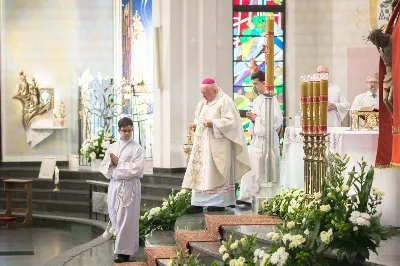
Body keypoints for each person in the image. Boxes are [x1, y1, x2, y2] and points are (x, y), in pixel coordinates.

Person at [182, 78, 251, 213]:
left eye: (205, 93)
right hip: (202, 146)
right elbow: (200, 120)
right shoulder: (202, 104)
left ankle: (218, 202)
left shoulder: (225, 101)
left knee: (216, 172)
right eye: (202, 93)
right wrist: (195, 125)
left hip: (218, 146)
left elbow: (232, 123)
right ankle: (199, 202)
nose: (203, 96)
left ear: (214, 90)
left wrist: (213, 123)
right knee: (201, 173)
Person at [100, 117, 144, 263]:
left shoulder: (137, 148)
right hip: (115, 185)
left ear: (132, 130)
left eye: (129, 130)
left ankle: (124, 252)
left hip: (129, 187)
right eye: (124, 130)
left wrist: (119, 163)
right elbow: (104, 167)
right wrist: (112, 165)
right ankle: (121, 244)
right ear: (119, 130)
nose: (127, 133)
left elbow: (137, 170)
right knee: (114, 215)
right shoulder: (112, 147)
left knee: (126, 218)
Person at [236, 71, 283, 206]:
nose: (254, 87)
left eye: (256, 84)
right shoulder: (257, 100)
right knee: (250, 169)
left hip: (266, 141)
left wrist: (257, 119)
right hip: (256, 140)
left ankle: (260, 197)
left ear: (264, 83)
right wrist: (253, 119)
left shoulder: (271, 100)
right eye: (253, 84)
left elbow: (275, 122)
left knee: (261, 171)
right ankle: (246, 197)